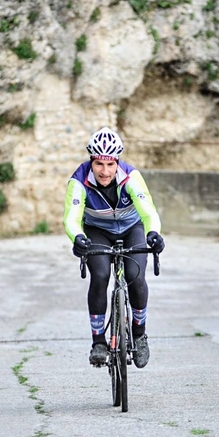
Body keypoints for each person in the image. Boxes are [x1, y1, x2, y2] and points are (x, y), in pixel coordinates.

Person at [63, 127, 165, 370]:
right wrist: (77, 237)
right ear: (92, 161)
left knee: (135, 275)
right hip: (97, 230)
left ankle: (139, 335)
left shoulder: (131, 177)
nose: (105, 171)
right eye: (99, 164)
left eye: (110, 165)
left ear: (117, 162)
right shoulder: (78, 181)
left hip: (131, 228)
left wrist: (154, 233)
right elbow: (71, 217)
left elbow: (148, 210)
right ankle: (98, 342)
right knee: (99, 275)